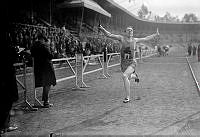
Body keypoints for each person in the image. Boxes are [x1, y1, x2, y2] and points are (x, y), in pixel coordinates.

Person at [99, 25, 159, 103]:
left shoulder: (135, 40)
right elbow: (109, 35)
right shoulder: (121, 38)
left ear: (133, 32)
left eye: (131, 30)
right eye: (128, 30)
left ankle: (127, 97)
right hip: (123, 63)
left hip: (132, 63)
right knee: (129, 77)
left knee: (124, 76)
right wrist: (102, 29)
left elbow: (146, 38)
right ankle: (135, 76)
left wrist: (155, 34)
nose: (130, 31)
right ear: (125, 32)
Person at [31, 32, 56, 108]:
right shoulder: (44, 46)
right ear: (42, 39)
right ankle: (46, 102)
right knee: (47, 84)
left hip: (38, 68)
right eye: (44, 40)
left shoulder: (33, 46)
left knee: (45, 84)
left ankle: (45, 101)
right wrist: (52, 48)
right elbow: (51, 56)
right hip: (47, 68)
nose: (45, 41)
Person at [0, 37, 19, 134]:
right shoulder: (8, 47)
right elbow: (15, 58)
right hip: (7, 77)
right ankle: (5, 126)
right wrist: (16, 51)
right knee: (7, 102)